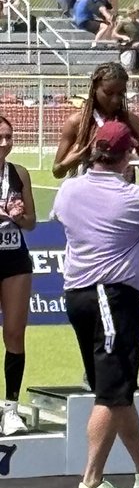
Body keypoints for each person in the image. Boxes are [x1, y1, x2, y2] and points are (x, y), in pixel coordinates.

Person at [51, 121, 139, 488]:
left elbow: (62, 218)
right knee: (111, 392)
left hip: (77, 293)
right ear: (127, 154)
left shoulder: (70, 189)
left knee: (117, 387)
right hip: (111, 296)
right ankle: (91, 480)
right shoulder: (132, 198)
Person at [53, 61, 139, 181]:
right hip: (87, 196)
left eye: (121, 93)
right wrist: (70, 161)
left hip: (122, 196)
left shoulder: (132, 122)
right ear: (95, 88)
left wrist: (133, 158)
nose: (115, 100)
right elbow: (57, 171)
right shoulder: (77, 122)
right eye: (109, 93)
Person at [0, 117, 36, 437]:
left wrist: (17, 216)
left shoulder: (19, 173)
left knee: (14, 333)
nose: (4, 142)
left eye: (8, 137)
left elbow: (32, 222)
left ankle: (11, 409)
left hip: (14, 258)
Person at [114, 5, 139, 75]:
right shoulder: (123, 22)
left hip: (135, 50)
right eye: (137, 12)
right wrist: (123, 37)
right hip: (125, 49)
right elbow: (114, 34)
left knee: (136, 70)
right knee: (126, 70)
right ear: (132, 13)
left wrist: (138, 43)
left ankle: (136, 85)